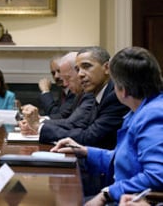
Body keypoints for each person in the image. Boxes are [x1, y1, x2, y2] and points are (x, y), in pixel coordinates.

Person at [51, 47, 163, 205]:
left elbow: (157, 175)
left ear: (122, 89)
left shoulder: (153, 114)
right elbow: (122, 159)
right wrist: (85, 151)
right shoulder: (136, 112)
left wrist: (107, 194)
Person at [20, 46, 128, 149]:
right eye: (77, 69)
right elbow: (78, 125)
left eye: (86, 66)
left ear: (107, 68)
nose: (80, 74)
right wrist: (38, 123)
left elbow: (89, 137)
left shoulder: (115, 96)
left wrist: (38, 126)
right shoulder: (97, 93)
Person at [39, 54, 76, 119]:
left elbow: (56, 114)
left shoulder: (75, 91)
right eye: (53, 73)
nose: (56, 76)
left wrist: (45, 91)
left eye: (59, 71)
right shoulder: (63, 90)